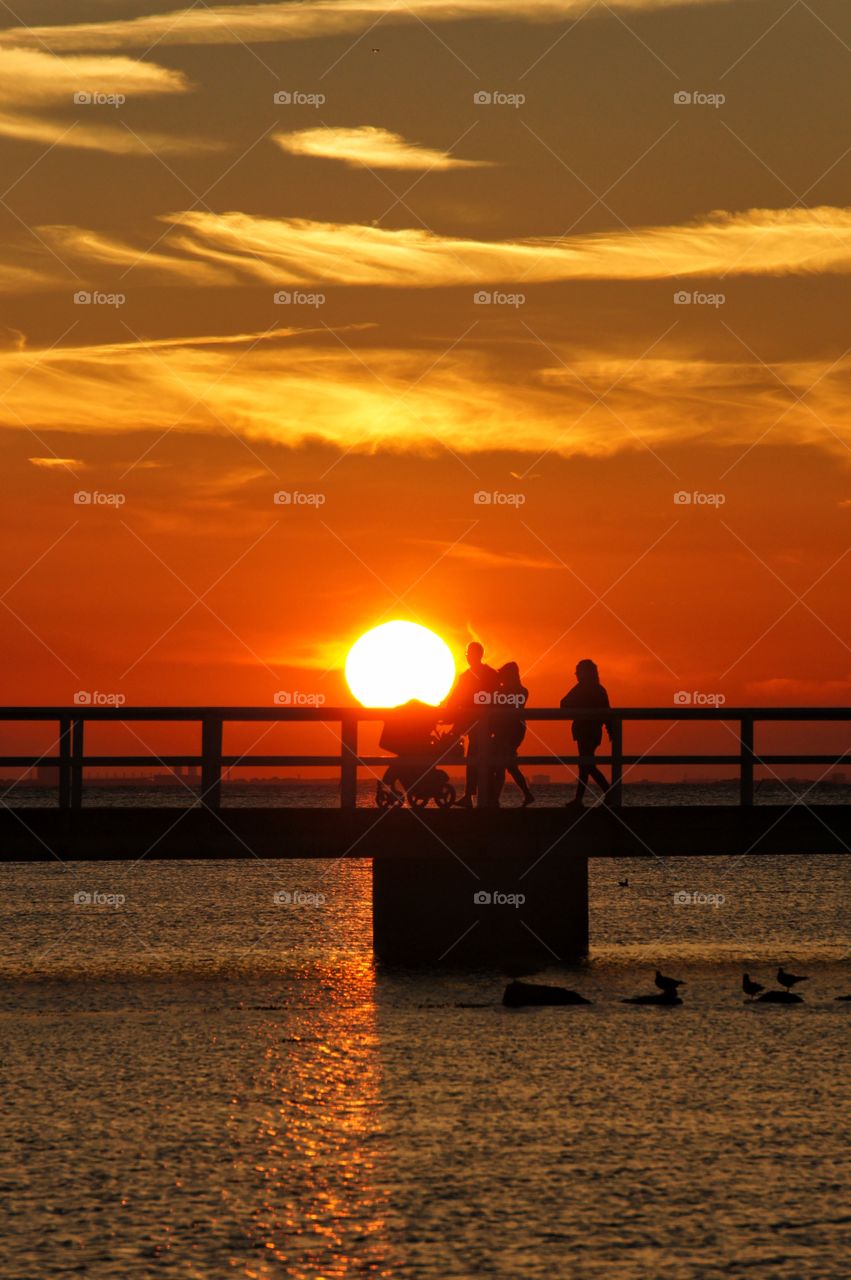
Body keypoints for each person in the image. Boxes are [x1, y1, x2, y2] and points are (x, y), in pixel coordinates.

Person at [444, 641, 499, 807]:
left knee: (476, 759)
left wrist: (449, 714)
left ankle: (473, 796)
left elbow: (455, 700)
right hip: (483, 724)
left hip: (482, 724)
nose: (469, 657)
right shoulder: (489, 674)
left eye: (469, 654)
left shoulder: (472, 677)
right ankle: (484, 797)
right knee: (481, 759)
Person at [560, 659, 613, 807]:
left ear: (585, 673)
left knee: (587, 765)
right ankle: (581, 799)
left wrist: (577, 710)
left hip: (586, 732)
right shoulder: (599, 689)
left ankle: (608, 793)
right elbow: (607, 712)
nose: (576, 675)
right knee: (585, 765)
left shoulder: (582, 688)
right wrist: (610, 730)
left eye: (578, 672)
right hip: (593, 732)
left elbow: (563, 703)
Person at [493, 662, 535, 807]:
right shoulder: (514, 690)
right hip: (507, 731)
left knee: (501, 765)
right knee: (509, 765)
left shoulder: (519, 691)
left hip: (511, 732)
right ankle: (527, 794)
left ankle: (495, 799)